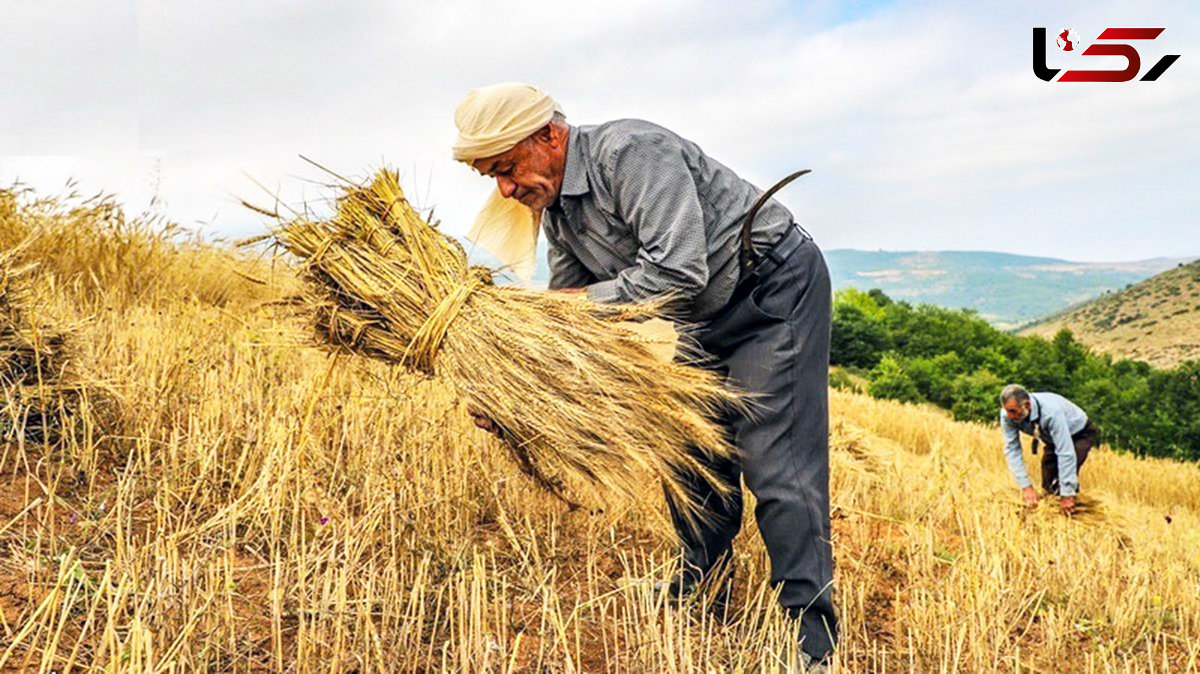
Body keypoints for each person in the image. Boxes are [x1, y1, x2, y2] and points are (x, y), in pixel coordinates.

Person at [452, 82, 837, 667]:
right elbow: (571, 318)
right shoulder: (559, 213)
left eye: (507, 168)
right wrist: (515, 385)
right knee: (689, 453)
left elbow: (678, 269)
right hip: (697, 315)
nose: (506, 189)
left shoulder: (631, 153)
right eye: (493, 178)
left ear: (548, 136)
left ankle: (811, 635)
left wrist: (573, 307)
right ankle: (698, 589)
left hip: (769, 290)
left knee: (776, 461)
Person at [999, 384, 1100, 516]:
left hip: (1079, 433)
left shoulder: (1051, 413)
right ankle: (1053, 517)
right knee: (1048, 482)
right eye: (1007, 410)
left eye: (1013, 411)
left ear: (1027, 406)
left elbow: (1066, 453)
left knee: (1061, 479)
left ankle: (1074, 512)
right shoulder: (1007, 415)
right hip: (1050, 437)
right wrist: (1026, 487)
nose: (1009, 416)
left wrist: (1067, 495)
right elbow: (1012, 450)